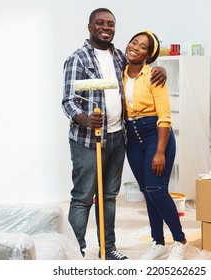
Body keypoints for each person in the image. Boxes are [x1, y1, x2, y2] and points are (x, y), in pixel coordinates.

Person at [61, 8, 166, 260]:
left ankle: (108, 250)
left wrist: (158, 67)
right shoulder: (78, 59)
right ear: (89, 27)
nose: (106, 27)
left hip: (118, 137)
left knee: (108, 197)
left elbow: (140, 69)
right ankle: (76, 252)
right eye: (100, 23)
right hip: (88, 140)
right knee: (83, 197)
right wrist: (86, 119)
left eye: (110, 24)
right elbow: (68, 101)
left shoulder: (119, 56)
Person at [122, 30, 188, 260]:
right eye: (134, 42)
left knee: (157, 190)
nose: (136, 47)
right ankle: (158, 241)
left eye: (143, 46)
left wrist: (160, 151)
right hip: (132, 137)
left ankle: (179, 240)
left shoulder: (154, 76)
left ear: (149, 55)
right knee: (147, 192)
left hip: (155, 135)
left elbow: (165, 116)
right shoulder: (119, 72)